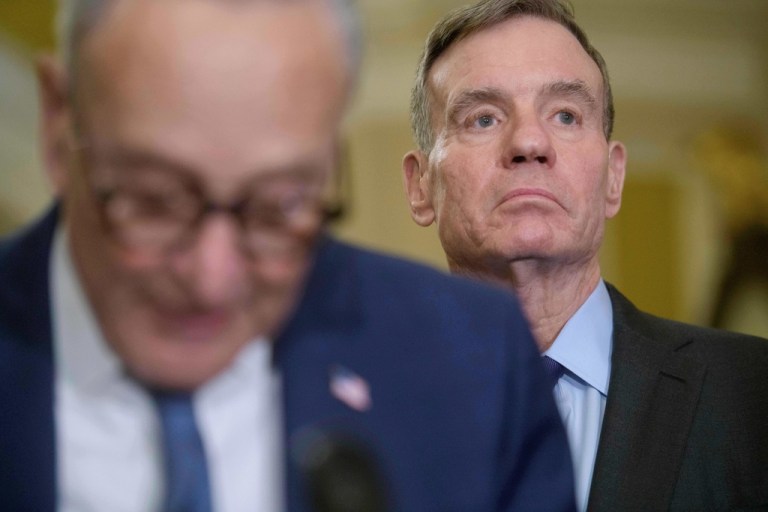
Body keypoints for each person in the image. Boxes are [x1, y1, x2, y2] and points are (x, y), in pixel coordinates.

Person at [0, 0, 577, 510]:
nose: (213, 279)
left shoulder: (475, 365)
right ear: (58, 121)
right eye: (153, 201)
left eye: (277, 205)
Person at [402, 0, 768, 510]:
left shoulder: (755, 395)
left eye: (566, 115)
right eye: (483, 118)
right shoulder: (336, 403)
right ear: (421, 186)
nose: (529, 142)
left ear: (614, 178)